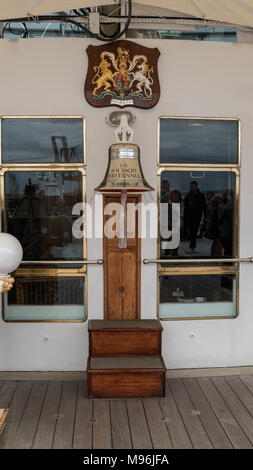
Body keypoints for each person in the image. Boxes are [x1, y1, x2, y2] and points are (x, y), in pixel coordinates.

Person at [183, 180, 206, 253]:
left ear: (196, 186)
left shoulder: (201, 195)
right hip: (189, 216)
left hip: (197, 216)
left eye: (192, 186)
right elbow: (185, 208)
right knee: (191, 232)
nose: (191, 187)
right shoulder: (187, 196)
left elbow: (204, 206)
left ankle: (192, 246)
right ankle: (192, 246)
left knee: (194, 231)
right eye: (190, 186)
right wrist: (185, 217)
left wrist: (205, 215)